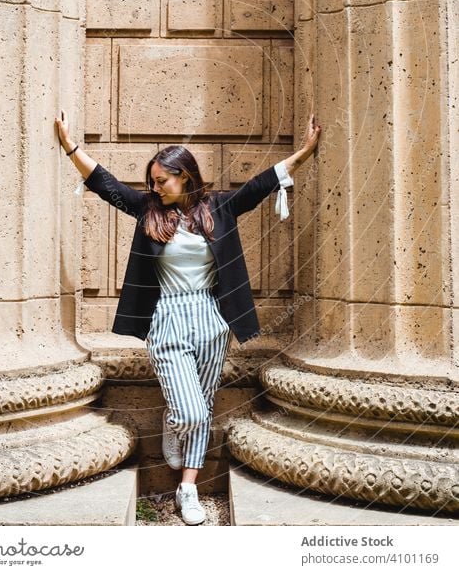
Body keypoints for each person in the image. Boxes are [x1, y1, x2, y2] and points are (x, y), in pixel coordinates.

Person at [55, 111, 321, 525]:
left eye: (162, 180)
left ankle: (188, 488)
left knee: (205, 404)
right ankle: (173, 418)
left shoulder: (219, 208)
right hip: (167, 316)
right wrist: (70, 146)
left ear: (185, 176)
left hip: (212, 319)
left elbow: (261, 184)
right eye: (152, 181)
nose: (155, 187)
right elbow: (107, 184)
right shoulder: (147, 209)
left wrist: (304, 152)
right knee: (191, 413)